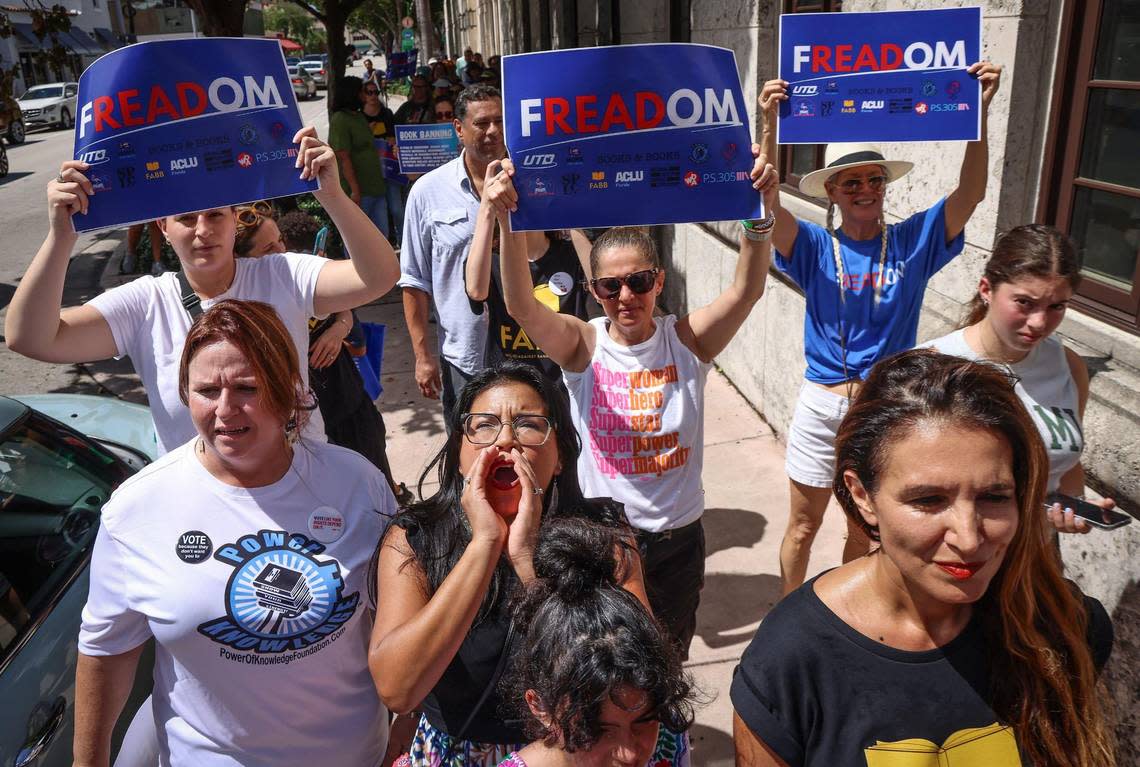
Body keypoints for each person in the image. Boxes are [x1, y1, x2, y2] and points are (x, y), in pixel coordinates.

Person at [730, 349, 1116, 767]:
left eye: (994, 497)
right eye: (929, 499)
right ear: (863, 497)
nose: (969, 539)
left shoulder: (1061, 626)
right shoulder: (791, 660)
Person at [75, 300, 397, 766]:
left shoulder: (358, 484)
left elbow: (400, 621)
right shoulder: (136, 510)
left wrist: (408, 726)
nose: (225, 409)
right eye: (206, 389)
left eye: (246, 387)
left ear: (289, 389)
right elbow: (106, 650)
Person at [489, 146, 777, 656]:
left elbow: (747, 289)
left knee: (670, 652)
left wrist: (760, 214)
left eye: (639, 281)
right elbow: (519, 305)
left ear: (658, 280)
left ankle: (667, 738)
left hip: (677, 540)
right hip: (606, 538)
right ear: (594, 290)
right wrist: (509, 216)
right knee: (611, 657)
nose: (626, 296)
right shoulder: (585, 346)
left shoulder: (687, 342)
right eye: (610, 285)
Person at [757, 62, 1003, 594]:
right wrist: (768, 128)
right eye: (851, 182)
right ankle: (786, 616)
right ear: (833, 193)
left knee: (864, 527)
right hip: (822, 404)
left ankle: (850, 611)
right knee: (802, 525)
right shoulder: (817, 246)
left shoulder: (914, 241)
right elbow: (766, 205)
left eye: (873, 180)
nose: (865, 189)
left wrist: (978, 112)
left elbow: (972, 193)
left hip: (882, 406)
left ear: (883, 187)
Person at [369, 363, 690, 767]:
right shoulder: (415, 538)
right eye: (483, 425)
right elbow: (397, 689)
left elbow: (635, 669)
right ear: (460, 452)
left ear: (558, 458)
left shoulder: (606, 536)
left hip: (578, 751)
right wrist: (485, 543)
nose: (504, 440)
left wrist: (526, 560)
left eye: (528, 425)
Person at [5, 127, 398, 455]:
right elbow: (29, 338)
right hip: (206, 514)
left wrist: (332, 196)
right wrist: (61, 235)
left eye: (214, 215)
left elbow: (379, 277)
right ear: (163, 227)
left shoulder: (281, 274)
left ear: (234, 220)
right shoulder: (145, 303)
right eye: (186, 218)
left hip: (303, 488)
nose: (202, 230)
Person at [924, 224, 1119, 535]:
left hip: (1036, 552)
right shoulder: (931, 366)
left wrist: (1075, 507)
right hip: (957, 555)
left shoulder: (1068, 366)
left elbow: (1065, 463)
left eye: (1057, 306)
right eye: (1024, 302)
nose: (1040, 322)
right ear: (986, 289)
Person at [231, 202, 411, 505]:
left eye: (280, 242)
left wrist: (339, 328)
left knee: (376, 482)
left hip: (347, 397)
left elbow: (352, 304)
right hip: (307, 418)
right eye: (268, 250)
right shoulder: (242, 310)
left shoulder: (297, 274)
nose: (282, 253)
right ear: (242, 262)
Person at [497, 517, 697, 767]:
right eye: (597, 730)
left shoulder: (669, 742)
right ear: (540, 707)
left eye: (644, 722)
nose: (629, 755)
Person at [399, 84, 505, 420]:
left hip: (527, 353)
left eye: (500, 121)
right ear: (458, 129)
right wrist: (422, 356)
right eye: (482, 123)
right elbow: (414, 280)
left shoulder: (530, 181)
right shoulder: (427, 192)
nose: (494, 131)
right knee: (469, 459)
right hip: (464, 360)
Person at [465, 212, 592, 387]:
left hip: (564, 385)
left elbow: (600, 284)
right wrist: (488, 204)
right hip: (509, 385)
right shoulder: (491, 260)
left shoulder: (571, 254)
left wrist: (567, 211)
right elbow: (475, 291)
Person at [330, 75, 391, 240]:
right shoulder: (340, 120)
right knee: (358, 240)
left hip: (376, 187)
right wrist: (355, 190)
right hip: (360, 192)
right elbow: (343, 158)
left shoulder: (358, 116)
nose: (366, 96)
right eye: (362, 92)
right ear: (352, 94)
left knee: (382, 236)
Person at [361, 77, 406, 246]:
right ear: (363, 95)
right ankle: (385, 246)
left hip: (389, 168)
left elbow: (393, 138)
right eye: (369, 92)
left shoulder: (386, 113)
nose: (373, 96)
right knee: (377, 212)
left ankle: (404, 243)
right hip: (370, 171)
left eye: (376, 92)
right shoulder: (359, 116)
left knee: (396, 209)